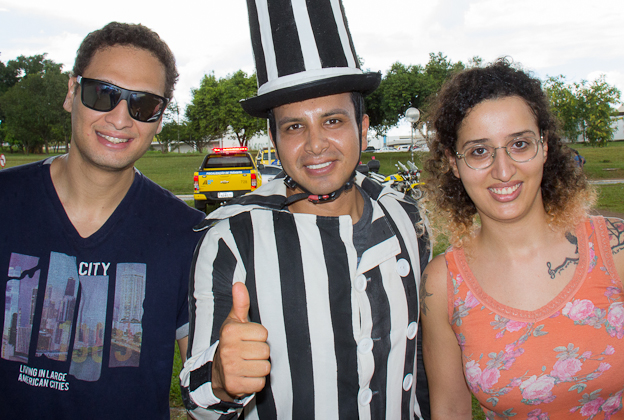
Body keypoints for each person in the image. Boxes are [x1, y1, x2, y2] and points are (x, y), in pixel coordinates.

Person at [179, 1, 432, 419]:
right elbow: (199, 402)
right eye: (294, 126)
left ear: (362, 128)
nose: (315, 145)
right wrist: (223, 379)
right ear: (274, 140)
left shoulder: (407, 218)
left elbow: (423, 363)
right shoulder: (231, 238)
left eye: (332, 121)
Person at [0, 22, 204, 419]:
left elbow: (206, 387)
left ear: (159, 119)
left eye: (143, 105)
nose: (120, 118)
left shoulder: (188, 235)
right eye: (103, 94)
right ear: (72, 92)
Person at [420, 58, 624, 419]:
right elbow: (451, 409)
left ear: (545, 147)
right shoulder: (443, 285)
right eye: (479, 151)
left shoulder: (617, 247)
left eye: (519, 144)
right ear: (454, 164)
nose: (503, 171)